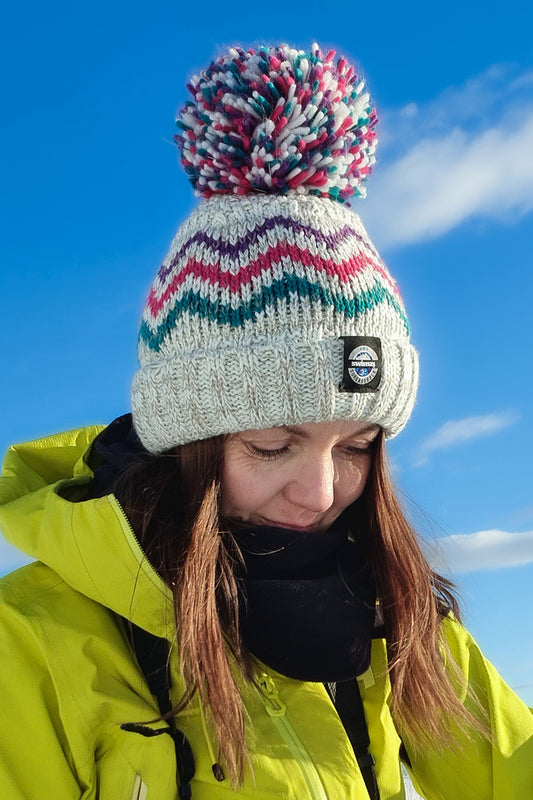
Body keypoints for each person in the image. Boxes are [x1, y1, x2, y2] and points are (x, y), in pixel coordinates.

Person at [0, 43, 531, 800]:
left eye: (355, 446)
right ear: (188, 441)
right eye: (272, 445)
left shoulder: (394, 613)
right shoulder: (29, 639)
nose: (318, 494)